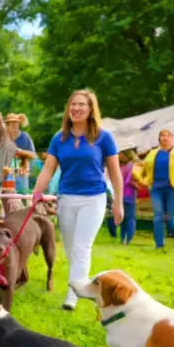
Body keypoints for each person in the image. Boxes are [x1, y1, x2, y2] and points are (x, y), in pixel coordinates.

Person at [31, 89, 123, 311]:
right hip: (66, 199)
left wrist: (118, 202)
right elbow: (48, 169)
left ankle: (72, 296)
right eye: (73, 104)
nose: (76, 108)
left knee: (82, 248)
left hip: (93, 199)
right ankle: (85, 283)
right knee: (72, 249)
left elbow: (115, 172)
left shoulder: (104, 137)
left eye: (82, 104)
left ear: (91, 109)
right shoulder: (59, 138)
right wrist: (35, 194)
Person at [135, 129, 174, 251]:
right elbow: (141, 167)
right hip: (156, 188)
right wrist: (143, 181)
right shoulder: (153, 153)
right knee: (158, 216)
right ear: (159, 139)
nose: (164, 138)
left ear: (172, 138)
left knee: (171, 218)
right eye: (162, 136)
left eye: (167, 135)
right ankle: (159, 246)